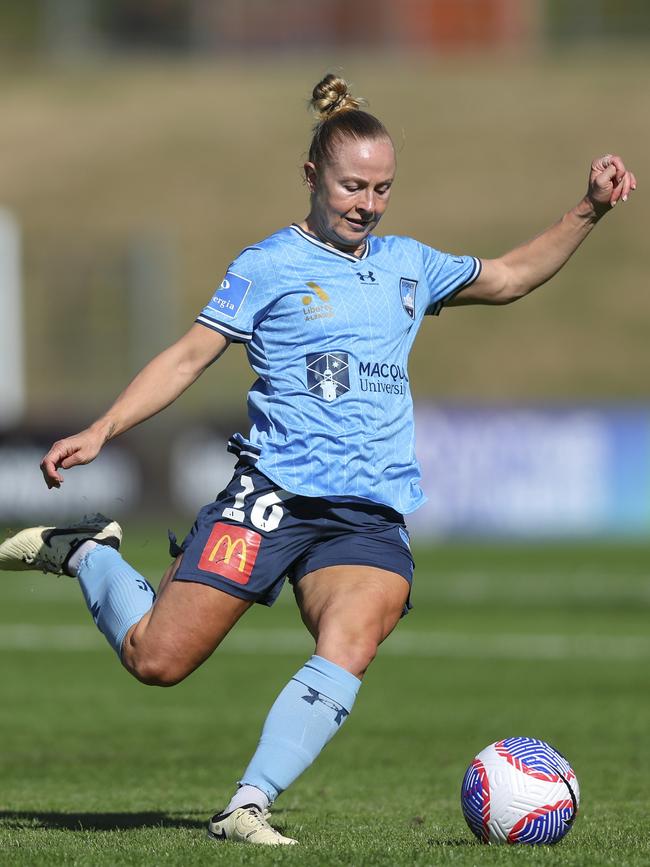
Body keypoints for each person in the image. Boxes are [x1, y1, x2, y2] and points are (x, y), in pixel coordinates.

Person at [0, 73, 637, 846]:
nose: (367, 203)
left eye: (382, 188)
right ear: (312, 177)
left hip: (364, 513)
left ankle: (247, 804)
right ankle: (89, 553)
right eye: (352, 185)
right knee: (156, 660)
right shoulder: (266, 265)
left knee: (354, 636)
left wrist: (588, 211)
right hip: (272, 495)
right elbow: (189, 356)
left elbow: (509, 277)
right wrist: (105, 426)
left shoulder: (408, 265)